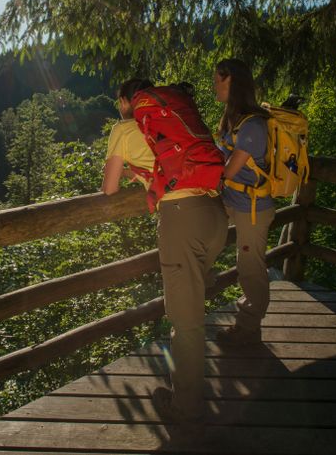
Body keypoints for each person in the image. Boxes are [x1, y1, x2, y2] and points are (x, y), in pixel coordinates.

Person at [101, 78, 228, 424]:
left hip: (181, 218)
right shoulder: (170, 121)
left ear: (126, 101)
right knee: (193, 299)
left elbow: (109, 188)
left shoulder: (124, 129)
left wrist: (126, 170)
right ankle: (193, 377)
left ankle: (185, 406)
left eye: (119, 102)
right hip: (215, 213)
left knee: (185, 321)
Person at [213, 58, 275, 345]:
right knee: (202, 234)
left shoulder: (252, 126)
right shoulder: (233, 119)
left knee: (250, 267)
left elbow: (228, 171)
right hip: (232, 200)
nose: (214, 85)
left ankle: (249, 328)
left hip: (252, 208)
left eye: (219, 80)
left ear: (233, 83)